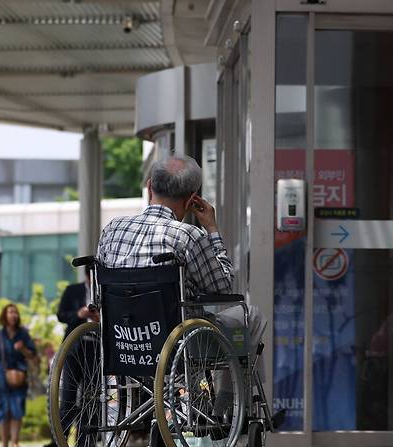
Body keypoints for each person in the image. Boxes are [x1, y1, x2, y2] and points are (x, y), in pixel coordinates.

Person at [97, 152, 267, 412]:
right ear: (191, 200)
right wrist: (212, 230)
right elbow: (221, 288)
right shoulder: (188, 235)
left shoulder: (112, 228)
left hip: (122, 340)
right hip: (177, 343)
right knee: (250, 315)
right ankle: (230, 405)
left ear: (149, 186)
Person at [43, 264, 99, 447]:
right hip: (74, 345)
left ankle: (86, 439)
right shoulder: (73, 290)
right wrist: (79, 314)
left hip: (96, 346)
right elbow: (61, 315)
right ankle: (60, 438)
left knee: (92, 394)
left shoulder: (104, 291)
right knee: (68, 391)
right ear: (87, 276)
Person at [0, 303, 37, 447]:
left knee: (17, 409)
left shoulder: (23, 334)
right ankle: (4, 444)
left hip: (19, 375)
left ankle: (15, 443)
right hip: (0, 376)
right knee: (4, 410)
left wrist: (23, 349)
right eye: (10, 312)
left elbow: (32, 355)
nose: (13, 315)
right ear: (4, 316)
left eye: (15, 312)